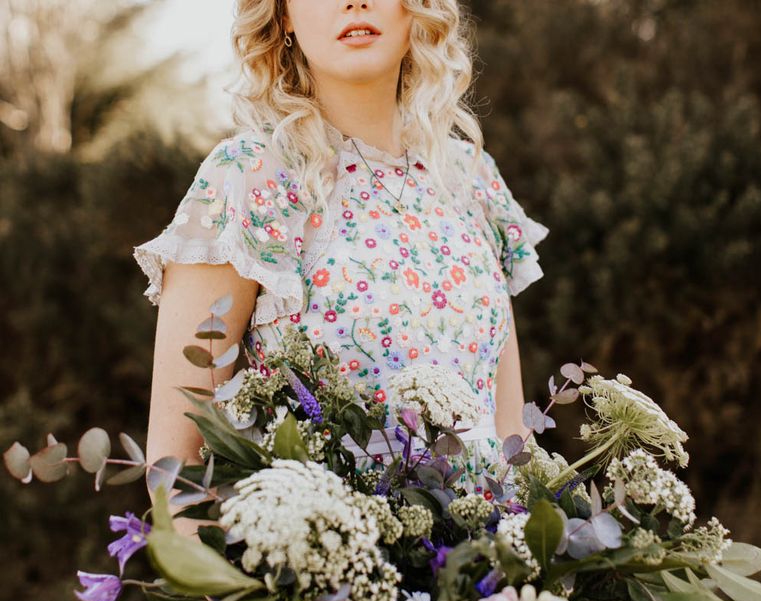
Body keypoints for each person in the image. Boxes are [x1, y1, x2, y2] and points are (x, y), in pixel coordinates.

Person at [133, 0, 549, 538]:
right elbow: (176, 463)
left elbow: (510, 433)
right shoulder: (248, 179)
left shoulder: (471, 178)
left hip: (483, 597)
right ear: (284, 16)